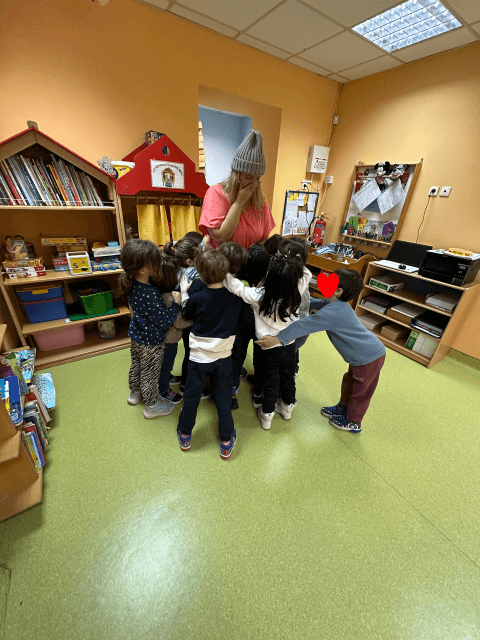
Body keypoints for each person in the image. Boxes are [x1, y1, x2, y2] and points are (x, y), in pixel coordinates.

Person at [256, 269, 386, 433]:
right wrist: (303, 303)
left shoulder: (332, 313)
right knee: (349, 382)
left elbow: (305, 325)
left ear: (338, 291)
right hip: (361, 355)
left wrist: (278, 339)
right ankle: (342, 407)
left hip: (369, 357)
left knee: (360, 391)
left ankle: (353, 421)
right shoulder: (336, 304)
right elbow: (319, 303)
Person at [223, 247, 312, 430]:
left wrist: (225, 273)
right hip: (289, 345)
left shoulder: (259, 296)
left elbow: (237, 287)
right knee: (288, 378)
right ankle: (287, 408)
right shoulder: (296, 290)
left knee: (270, 382)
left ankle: (267, 415)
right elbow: (308, 274)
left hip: (268, 348)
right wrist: (296, 260)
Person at [176, 250, 243, 459]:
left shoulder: (197, 297)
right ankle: (226, 439)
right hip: (223, 357)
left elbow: (187, 313)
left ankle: (185, 434)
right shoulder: (235, 299)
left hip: (198, 358)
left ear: (201, 276)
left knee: (192, 397)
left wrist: (184, 292)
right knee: (223, 397)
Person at [119, 239, 181, 419]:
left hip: (137, 337)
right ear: (143, 270)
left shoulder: (131, 284)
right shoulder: (151, 293)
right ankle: (151, 406)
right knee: (150, 374)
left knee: (136, 366)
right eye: (156, 261)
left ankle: (134, 394)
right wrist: (176, 304)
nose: (159, 263)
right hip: (151, 343)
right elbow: (165, 321)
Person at [199, 129, 276, 251]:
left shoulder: (260, 200)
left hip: (249, 262)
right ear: (236, 174)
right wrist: (239, 202)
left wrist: (252, 255)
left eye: (257, 178)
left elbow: (264, 237)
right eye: (248, 177)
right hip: (221, 262)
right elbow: (220, 237)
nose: (253, 184)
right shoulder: (216, 193)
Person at [154, 253, 192, 405]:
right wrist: (194, 320)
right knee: (166, 365)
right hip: (169, 341)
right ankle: (163, 389)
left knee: (164, 364)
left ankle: (167, 377)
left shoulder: (158, 294)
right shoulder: (170, 299)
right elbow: (179, 323)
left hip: (163, 339)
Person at [216, 241, 249, 409]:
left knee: (218, 361)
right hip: (236, 334)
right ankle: (231, 394)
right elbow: (246, 316)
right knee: (235, 363)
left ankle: (216, 387)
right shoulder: (242, 287)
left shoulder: (210, 282)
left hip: (216, 333)